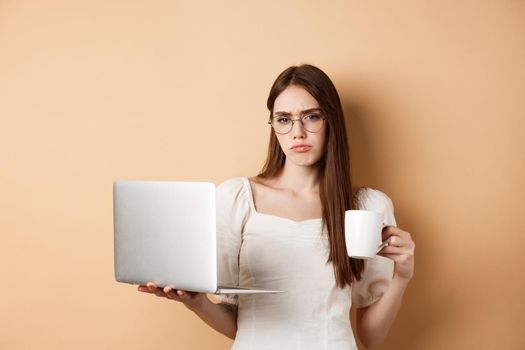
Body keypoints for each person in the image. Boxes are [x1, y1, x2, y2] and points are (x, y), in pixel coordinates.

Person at [138, 64, 415, 349]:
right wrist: (198, 304)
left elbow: (370, 336)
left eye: (312, 117)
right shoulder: (237, 198)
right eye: (284, 120)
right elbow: (238, 325)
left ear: (331, 121)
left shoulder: (367, 207)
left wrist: (403, 276)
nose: (298, 132)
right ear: (273, 126)